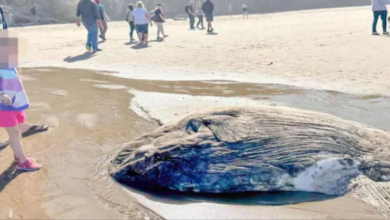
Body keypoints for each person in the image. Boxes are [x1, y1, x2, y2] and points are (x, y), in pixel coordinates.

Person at [0, 32, 48, 171]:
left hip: (15, 105)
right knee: (14, 133)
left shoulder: (9, 66)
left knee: (18, 131)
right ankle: (23, 162)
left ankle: (18, 155)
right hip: (4, 107)